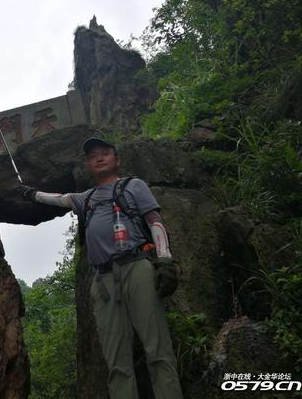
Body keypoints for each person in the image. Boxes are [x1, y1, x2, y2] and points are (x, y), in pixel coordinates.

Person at [17, 136, 183, 399]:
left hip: (137, 266)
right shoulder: (87, 197)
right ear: (88, 164)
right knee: (116, 360)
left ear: (117, 159)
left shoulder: (134, 186)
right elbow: (60, 199)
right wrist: (31, 193)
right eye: (93, 156)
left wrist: (164, 260)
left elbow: (155, 221)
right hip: (103, 280)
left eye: (105, 152)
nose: (99, 158)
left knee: (158, 350)